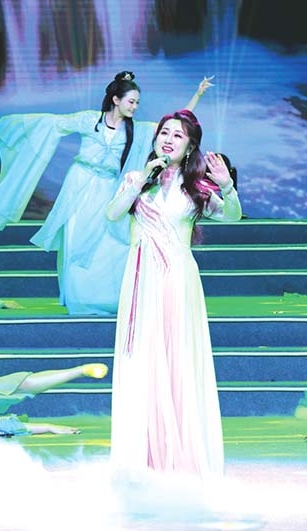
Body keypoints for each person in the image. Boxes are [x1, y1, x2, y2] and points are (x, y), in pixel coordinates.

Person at [0, 71, 214, 315]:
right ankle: (77, 298)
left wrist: (197, 96)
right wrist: (16, 125)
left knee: (108, 242)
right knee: (76, 240)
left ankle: (105, 297)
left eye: (137, 102)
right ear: (116, 99)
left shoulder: (136, 130)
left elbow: (174, 126)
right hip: (80, 185)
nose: (135, 106)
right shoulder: (89, 120)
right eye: (131, 101)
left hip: (108, 187)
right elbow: (53, 123)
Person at [105, 109, 242, 477]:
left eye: (178, 135)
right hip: (141, 278)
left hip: (178, 278)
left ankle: (181, 455)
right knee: (143, 358)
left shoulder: (197, 189)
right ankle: (144, 455)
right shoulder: (137, 180)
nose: (168, 139)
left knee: (176, 357)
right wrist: (140, 180)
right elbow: (113, 214)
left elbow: (231, 216)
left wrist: (227, 188)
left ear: (190, 146)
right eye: (164, 132)